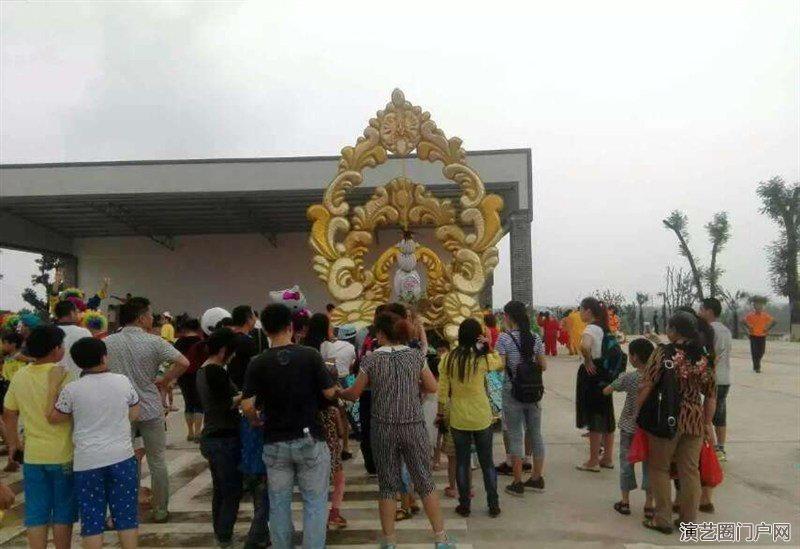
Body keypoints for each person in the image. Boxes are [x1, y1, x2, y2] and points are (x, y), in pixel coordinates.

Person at [340, 307, 453, 549]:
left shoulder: (371, 358)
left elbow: (355, 393)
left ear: (380, 333)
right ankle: (440, 538)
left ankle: (389, 542)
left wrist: (338, 392)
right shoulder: (415, 356)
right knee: (425, 481)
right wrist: (414, 389)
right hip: (413, 425)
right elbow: (432, 387)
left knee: (388, 486)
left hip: (383, 428)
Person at [241, 304, 336, 549]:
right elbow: (328, 392)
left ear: (266, 329)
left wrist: (255, 420)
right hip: (309, 438)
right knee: (314, 502)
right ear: (290, 326)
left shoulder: (257, 362)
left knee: (279, 503)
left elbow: (248, 405)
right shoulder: (310, 355)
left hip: (274, 441)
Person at [47, 337, 140, 549]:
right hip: (122, 457)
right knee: (126, 515)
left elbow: (55, 417)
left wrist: (53, 387)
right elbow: (135, 412)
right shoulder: (122, 381)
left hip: (87, 463)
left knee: (92, 519)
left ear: (78, 362)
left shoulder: (72, 389)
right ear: (104, 356)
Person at [105, 296, 190, 523]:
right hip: (151, 408)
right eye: (150, 314)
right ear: (142, 318)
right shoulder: (155, 342)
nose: (152, 318)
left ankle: (120, 511)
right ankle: (160, 509)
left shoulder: (108, 343)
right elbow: (183, 362)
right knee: (157, 460)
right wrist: (164, 380)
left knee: (122, 460)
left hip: (122, 409)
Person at [637, 311, 716, 534]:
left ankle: (662, 519)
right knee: (690, 471)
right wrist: (707, 424)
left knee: (659, 468)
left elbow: (648, 383)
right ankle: (689, 522)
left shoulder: (664, 352)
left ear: (673, 330)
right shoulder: (704, 357)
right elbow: (710, 396)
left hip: (666, 418)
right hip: (694, 420)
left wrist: (636, 413)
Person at [3, 325, 76, 549]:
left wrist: (13, 443)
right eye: (62, 345)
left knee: (35, 512)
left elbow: (9, 412)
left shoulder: (20, 375)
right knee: (63, 512)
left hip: (33, 456)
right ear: (55, 349)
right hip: (63, 455)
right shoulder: (64, 375)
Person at [438, 317, 503, 517]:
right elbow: (498, 362)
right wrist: (487, 345)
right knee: (487, 462)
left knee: (462, 463)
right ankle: (493, 504)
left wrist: (440, 415)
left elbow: (442, 391)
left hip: (458, 416)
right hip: (481, 415)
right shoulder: (482, 358)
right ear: (477, 336)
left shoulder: (448, 359)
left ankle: (464, 504)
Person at [196, 328, 244, 548]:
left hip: (212, 435)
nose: (233, 356)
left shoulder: (203, 370)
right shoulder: (215, 371)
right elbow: (227, 402)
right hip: (223, 437)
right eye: (232, 352)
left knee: (221, 490)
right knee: (231, 490)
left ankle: (220, 532)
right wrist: (246, 394)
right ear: (224, 350)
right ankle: (224, 536)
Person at [301, 313, 349, 530]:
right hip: (325, 414)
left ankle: (315, 514)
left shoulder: (300, 349)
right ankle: (334, 514)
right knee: (336, 469)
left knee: (313, 470)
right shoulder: (326, 350)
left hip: (305, 416)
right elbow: (331, 382)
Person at [496, 300, 547, 497]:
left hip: (512, 392)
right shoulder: (535, 337)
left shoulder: (504, 339)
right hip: (534, 392)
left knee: (516, 435)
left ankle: (517, 482)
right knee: (536, 434)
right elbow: (543, 365)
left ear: (508, 317)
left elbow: (500, 365)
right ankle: (536, 478)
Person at [603, 338, 654, 518]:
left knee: (626, 463)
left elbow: (607, 390)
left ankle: (625, 502)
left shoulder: (630, 377)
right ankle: (649, 504)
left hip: (629, 427)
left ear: (634, 357)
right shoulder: (655, 377)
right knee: (651, 465)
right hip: (650, 428)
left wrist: (616, 379)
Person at [575, 297, 616, 472]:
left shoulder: (591, 328)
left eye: (581, 309)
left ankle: (593, 461)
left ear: (589, 311)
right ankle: (607, 458)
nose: (580, 313)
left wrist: (588, 359)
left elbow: (585, 346)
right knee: (606, 414)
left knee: (594, 417)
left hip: (592, 376)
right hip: (606, 375)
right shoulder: (604, 328)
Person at [699, 298, 732, 462]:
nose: (699, 312)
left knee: (708, 416)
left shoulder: (709, 330)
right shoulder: (726, 330)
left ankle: (713, 451)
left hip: (714, 378)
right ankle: (720, 447)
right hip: (725, 377)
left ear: (709, 311)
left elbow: (713, 356)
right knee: (720, 413)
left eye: (701, 309)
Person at [174, 318, 205, 442]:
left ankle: (190, 432)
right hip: (198, 375)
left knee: (188, 402)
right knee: (199, 403)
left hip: (183, 375)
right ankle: (198, 432)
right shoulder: (201, 341)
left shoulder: (179, 342)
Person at [53, 299, 93, 378]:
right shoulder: (84, 333)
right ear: (72, 313)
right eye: (77, 312)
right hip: (77, 379)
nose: (78, 314)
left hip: (53, 380)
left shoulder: (49, 333)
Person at [744, 297, 775, 373]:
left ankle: (756, 364)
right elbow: (742, 322)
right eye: (757, 306)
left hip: (762, 336)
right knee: (755, 352)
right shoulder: (750, 315)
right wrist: (748, 328)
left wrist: (767, 329)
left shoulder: (765, 315)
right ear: (754, 307)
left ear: (762, 308)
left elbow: (774, 321)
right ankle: (757, 367)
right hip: (753, 336)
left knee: (761, 351)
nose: (759, 307)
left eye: (760, 306)